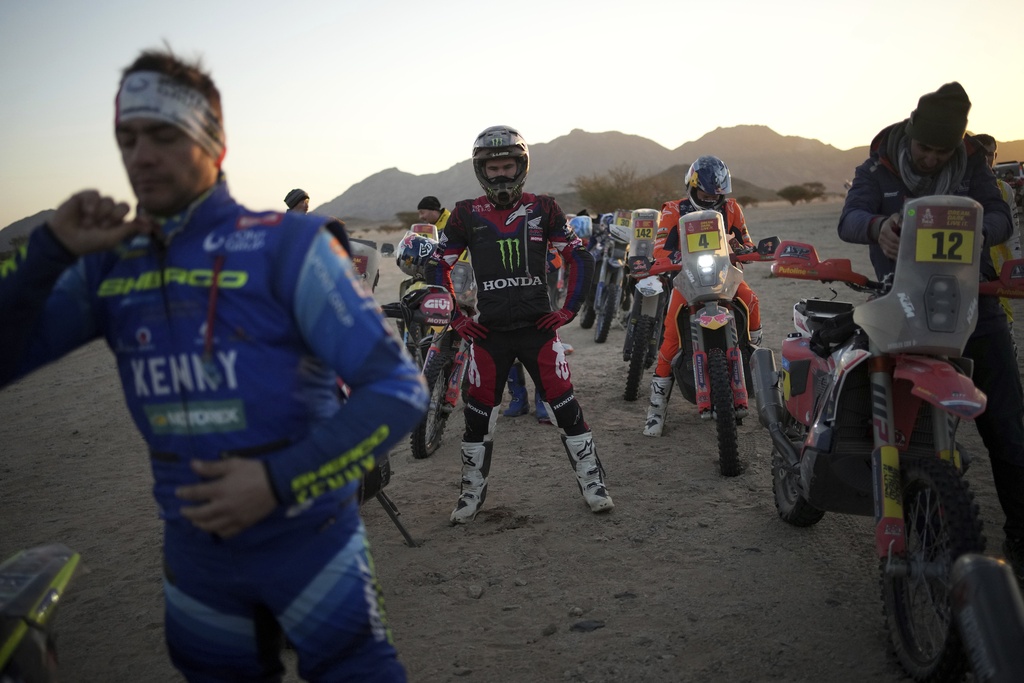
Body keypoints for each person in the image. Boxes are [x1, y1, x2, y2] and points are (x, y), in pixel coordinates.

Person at [0, 48, 428, 681]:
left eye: (164, 134)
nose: (140, 155)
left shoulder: (289, 244)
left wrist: (278, 479)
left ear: (215, 141)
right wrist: (46, 252)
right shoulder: (111, 262)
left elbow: (398, 391)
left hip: (310, 540)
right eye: (127, 137)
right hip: (197, 558)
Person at [837, 81, 1023, 583]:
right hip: (897, 303)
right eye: (925, 147)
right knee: (893, 422)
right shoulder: (878, 165)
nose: (931, 158)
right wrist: (878, 227)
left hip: (972, 309)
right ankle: (915, 523)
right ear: (911, 133)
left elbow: (1003, 216)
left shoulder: (973, 167)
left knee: (1009, 427)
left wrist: (981, 229)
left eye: (942, 151)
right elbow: (849, 218)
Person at [431, 124, 613, 523]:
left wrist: (568, 311)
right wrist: (457, 318)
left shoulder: (544, 207)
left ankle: (593, 482)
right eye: (493, 167)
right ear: (481, 170)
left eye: (507, 166)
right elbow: (437, 268)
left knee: (566, 407)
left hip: (538, 330)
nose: (501, 175)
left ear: (521, 166)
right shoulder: (463, 213)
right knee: (477, 416)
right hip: (488, 333)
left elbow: (580, 257)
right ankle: (470, 493)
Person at [643, 155, 762, 437]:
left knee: (752, 300)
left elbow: (746, 241)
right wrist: (669, 258)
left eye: (716, 194)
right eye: (706, 193)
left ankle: (752, 352)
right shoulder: (673, 210)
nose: (711, 199)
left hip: (726, 276)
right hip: (687, 280)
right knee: (671, 338)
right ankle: (655, 411)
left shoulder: (732, 208)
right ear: (692, 187)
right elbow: (660, 249)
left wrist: (747, 250)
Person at [973, 133, 1022, 336]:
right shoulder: (962, 186)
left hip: (997, 273)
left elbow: (1013, 234)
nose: (987, 159)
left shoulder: (1005, 190)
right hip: (969, 267)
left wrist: (1018, 267)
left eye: (991, 154)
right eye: (983, 154)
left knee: (1004, 327)